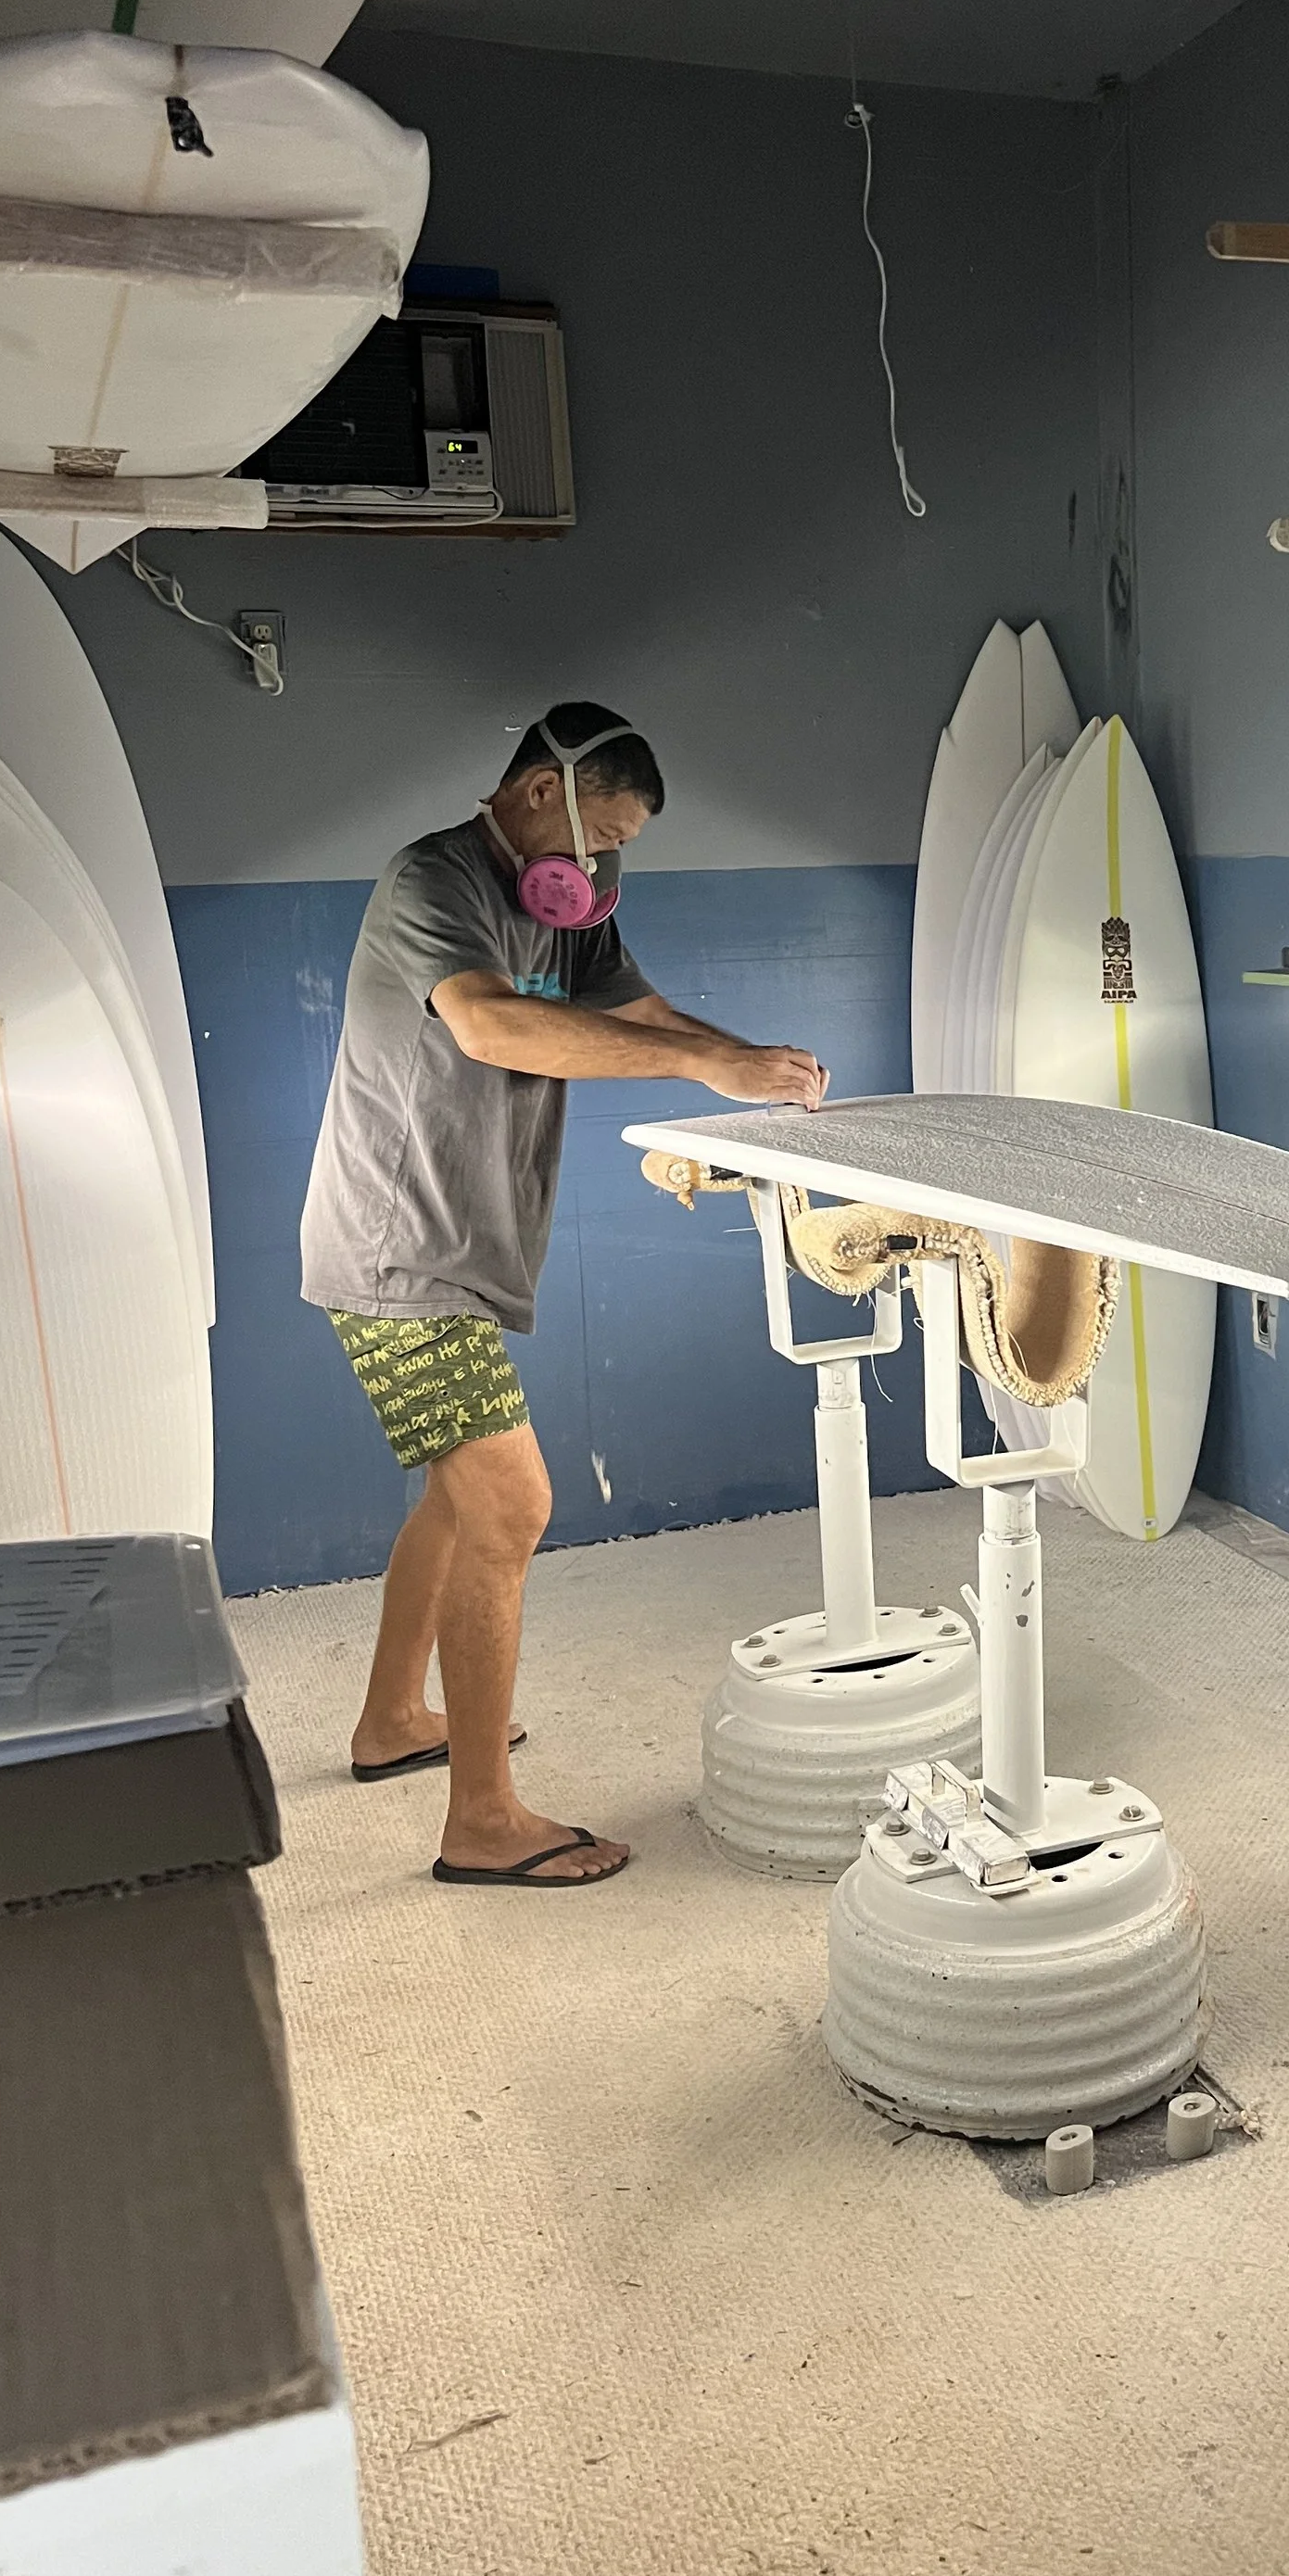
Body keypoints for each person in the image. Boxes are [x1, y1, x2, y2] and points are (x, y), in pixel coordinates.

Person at [299, 704, 828, 1891]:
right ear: (540, 790)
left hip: (462, 1248)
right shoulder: (430, 881)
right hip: (400, 1258)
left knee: (454, 1500)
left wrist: (751, 1061)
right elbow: (488, 1027)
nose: (603, 867)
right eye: (599, 834)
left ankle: (391, 1721)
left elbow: (637, 1012)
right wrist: (703, 1064)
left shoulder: (569, 903)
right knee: (510, 1507)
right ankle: (480, 1822)